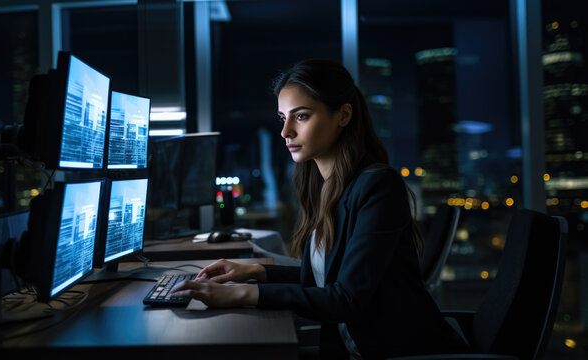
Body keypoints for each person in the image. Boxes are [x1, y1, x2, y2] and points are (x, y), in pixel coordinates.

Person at [169, 59, 470, 359]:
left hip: (397, 353)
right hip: (353, 347)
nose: (286, 131)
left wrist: (243, 292)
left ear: (343, 115)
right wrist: (254, 272)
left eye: (301, 117)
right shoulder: (323, 186)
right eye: (282, 118)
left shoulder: (378, 186)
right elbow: (328, 278)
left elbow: (346, 298)